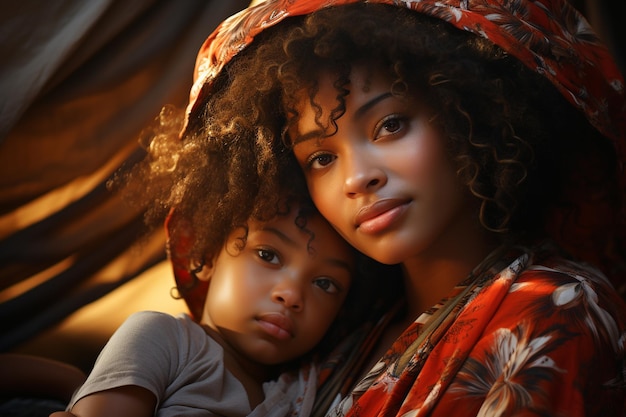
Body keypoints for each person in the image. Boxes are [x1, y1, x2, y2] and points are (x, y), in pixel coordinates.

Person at [129, 0, 626, 416]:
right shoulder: (336, 332)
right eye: (321, 157)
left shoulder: (557, 311)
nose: (356, 178)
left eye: (389, 125)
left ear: (471, 112)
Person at [50, 194, 380, 417]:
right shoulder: (164, 341)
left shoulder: (308, 389)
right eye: (268, 255)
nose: (291, 295)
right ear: (206, 255)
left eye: (325, 284)